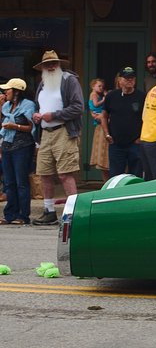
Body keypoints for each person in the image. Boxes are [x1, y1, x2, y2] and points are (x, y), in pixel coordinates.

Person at [31, 50, 85, 225]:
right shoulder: (43, 84)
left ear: (60, 64)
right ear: (43, 68)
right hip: (45, 133)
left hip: (64, 131)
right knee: (44, 174)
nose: (51, 66)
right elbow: (41, 107)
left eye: (54, 63)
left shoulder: (69, 81)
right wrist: (37, 115)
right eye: (47, 64)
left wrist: (53, 115)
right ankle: (49, 211)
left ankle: (74, 213)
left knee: (65, 174)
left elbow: (78, 107)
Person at [0, 78, 36, 225]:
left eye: (7, 90)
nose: (4, 92)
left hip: (22, 147)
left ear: (16, 92)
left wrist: (16, 127)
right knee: (9, 182)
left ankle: (23, 215)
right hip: (7, 146)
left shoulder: (28, 105)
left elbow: (31, 127)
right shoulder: (6, 106)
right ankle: (9, 214)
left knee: (21, 182)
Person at [102, 67, 146, 178]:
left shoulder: (142, 96)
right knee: (115, 176)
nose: (130, 80)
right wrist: (106, 133)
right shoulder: (111, 96)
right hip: (116, 143)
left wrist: (141, 137)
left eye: (132, 78)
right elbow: (104, 116)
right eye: (126, 78)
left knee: (135, 176)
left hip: (135, 143)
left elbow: (148, 119)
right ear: (119, 80)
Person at [87, 77, 109, 181]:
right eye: (99, 86)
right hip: (99, 116)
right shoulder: (93, 94)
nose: (101, 88)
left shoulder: (96, 94)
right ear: (93, 86)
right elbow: (95, 104)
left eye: (102, 87)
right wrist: (104, 99)